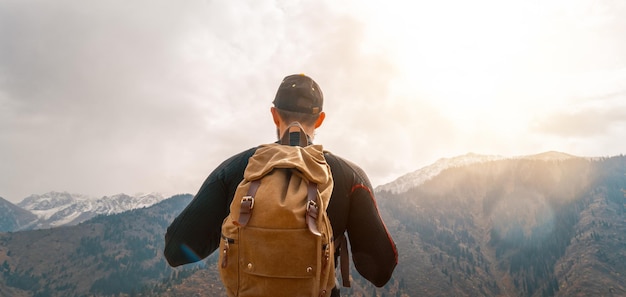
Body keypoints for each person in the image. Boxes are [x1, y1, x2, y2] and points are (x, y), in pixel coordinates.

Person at [164, 74, 398, 296]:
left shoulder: (236, 170)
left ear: (274, 115)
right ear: (320, 119)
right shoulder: (348, 175)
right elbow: (380, 271)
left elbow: (176, 250)